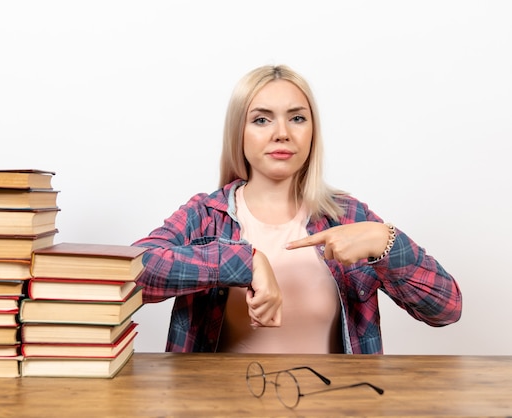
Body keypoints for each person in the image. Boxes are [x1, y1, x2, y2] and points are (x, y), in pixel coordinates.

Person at [132, 64, 462, 354]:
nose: (282, 133)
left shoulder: (347, 217)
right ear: (239, 132)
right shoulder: (206, 216)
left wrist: (384, 241)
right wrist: (245, 262)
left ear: (312, 132)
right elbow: (128, 275)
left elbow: (446, 309)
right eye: (261, 119)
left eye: (297, 118)